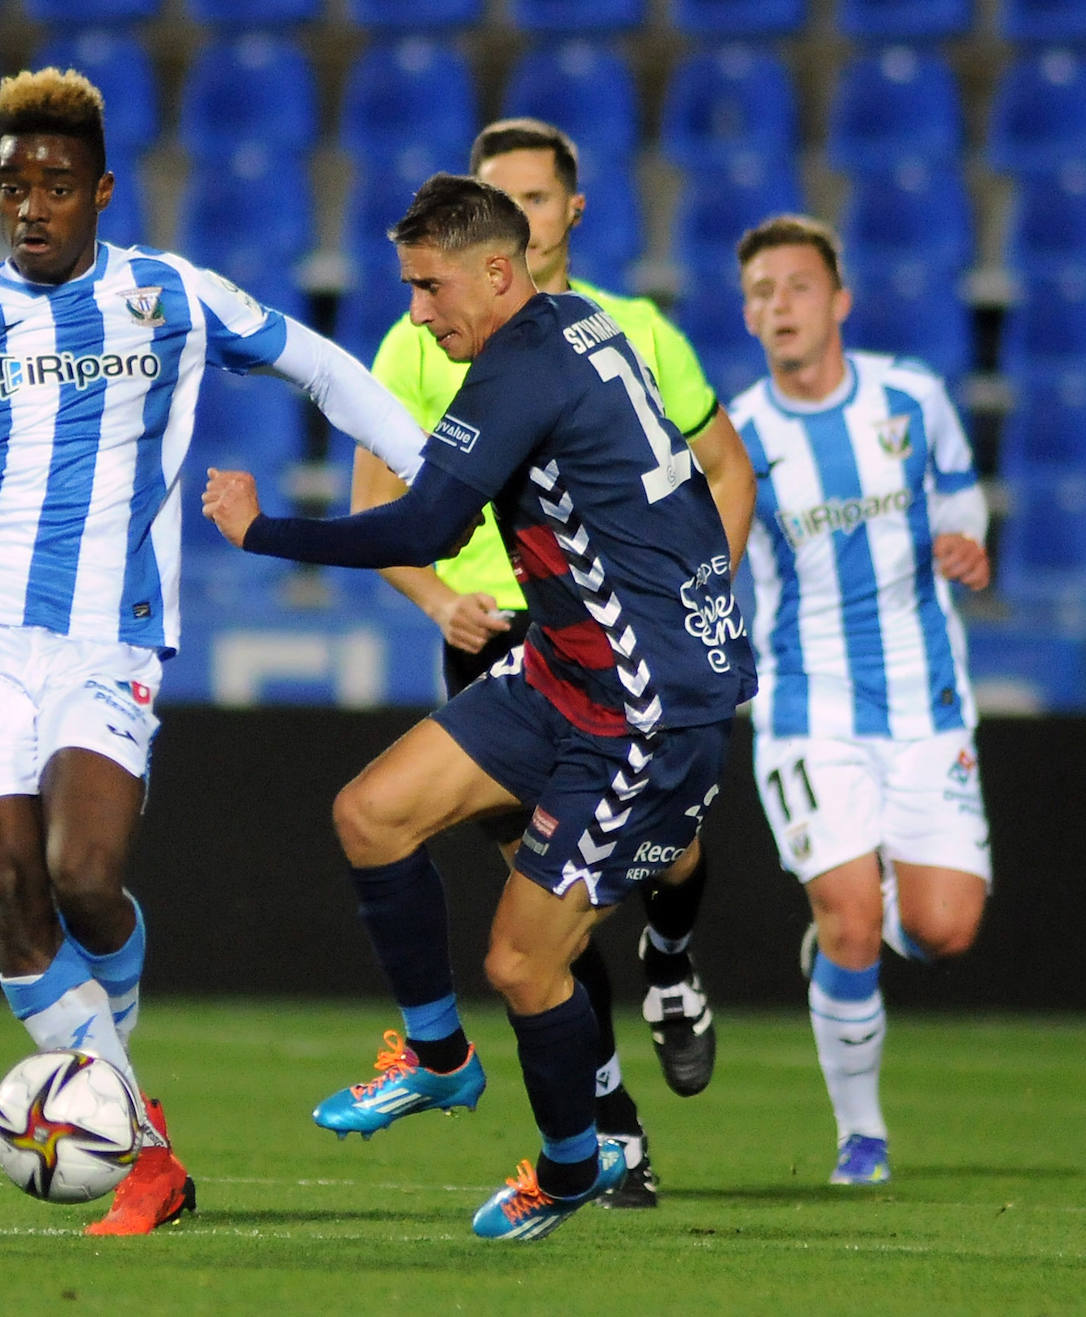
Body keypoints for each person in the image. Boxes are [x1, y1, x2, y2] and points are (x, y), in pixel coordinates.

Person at [0, 68, 428, 1236]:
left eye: (58, 185)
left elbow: (323, 369)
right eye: (13, 185)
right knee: (7, 881)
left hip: (105, 637)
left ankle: (105, 1086)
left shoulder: (170, 296)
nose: (32, 205)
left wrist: (438, 470)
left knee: (85, 880)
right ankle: (146, 1151)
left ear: (103, 192)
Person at [204, 174, 755, 1239]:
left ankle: (569, 1166)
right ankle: (439, 1058)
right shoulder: (574, 325)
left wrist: (266, 531)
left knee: (521, 962)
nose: (418, 312)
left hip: (644, 707)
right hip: (570, 665)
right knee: (372, 813)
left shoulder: (522, 371)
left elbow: (427, 529)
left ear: (497, 273)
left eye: (428, 287)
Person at [349, 119, 757, 1208]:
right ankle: (605, 1127)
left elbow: (723, 470)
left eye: (536, 197)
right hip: (510, 651)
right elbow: (382, 508)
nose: (519, 213)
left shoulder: (630, 332)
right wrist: (441, 602)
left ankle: (671, 962)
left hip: (634, 665)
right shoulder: (415, 338)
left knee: (628, 884)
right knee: (531, 925)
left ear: (564, 215)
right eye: (500, 194)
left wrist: (689, 608)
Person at [730, 215, 992, 1186]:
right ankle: (862, 1137)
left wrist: (964, 540)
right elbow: (716, 560)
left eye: (796, 287)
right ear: (747, 314)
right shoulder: (740, 435)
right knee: (847, 914)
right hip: (808, 705)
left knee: (941, 929)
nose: (778, 307)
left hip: (927, 700)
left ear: (839, 301)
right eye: (760, 293)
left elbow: (960, 493)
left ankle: (859, 933)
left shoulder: (912, 396)